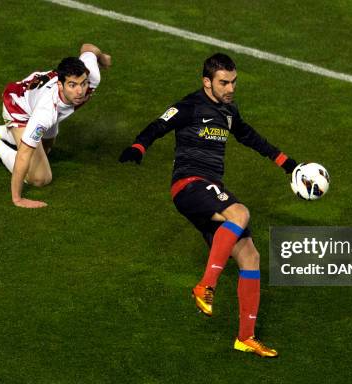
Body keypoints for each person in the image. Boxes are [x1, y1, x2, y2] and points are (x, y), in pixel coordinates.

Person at [119, 53, 298, 357]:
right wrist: (139, 146)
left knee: (250, 256)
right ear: (207, 82)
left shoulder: (228, 111)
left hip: (210, 188)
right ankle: (206, 285)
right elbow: (158, 125)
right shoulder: (190, 106)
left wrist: (286, 163)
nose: (231, 88)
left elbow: (249, 135)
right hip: (190, 184)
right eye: (224, 82)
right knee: (239, 212)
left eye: (234, 82)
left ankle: (245, 337)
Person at [0, 43, 111, 208]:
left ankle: (0, 131)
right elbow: (24, 154)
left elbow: (88, 48)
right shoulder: (45, 113)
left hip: (33, 95)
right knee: (40, 178)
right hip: (19, 109)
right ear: (61, 85)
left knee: (46, 150)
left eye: (82, 84)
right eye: (72, 85)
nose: (80, 91)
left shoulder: (92, 76)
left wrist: (101, 58)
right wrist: (17, 199)